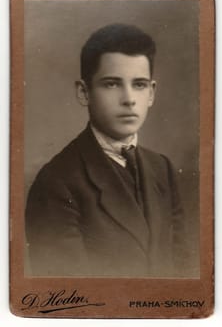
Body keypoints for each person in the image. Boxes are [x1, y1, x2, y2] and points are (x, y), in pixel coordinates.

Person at [25, 23, 187, 277]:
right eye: (112, 84)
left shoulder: (162, 168)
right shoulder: (57, 182)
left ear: (152, 94)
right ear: (84, 92)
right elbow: (69, 296)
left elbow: (183, 270)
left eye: (140, 84)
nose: (129, 98)